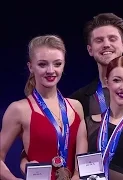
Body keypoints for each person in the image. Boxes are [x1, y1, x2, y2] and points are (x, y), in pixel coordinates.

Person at [0, 35, 87, 180]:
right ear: (30, 67)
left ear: (64, 64)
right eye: (42, 64)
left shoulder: (76, 106)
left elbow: (81, 159)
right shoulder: (19, 110)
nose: (51, 70)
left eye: (57, 64)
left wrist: (77, 176)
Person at [70, 12, 123, 117]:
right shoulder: (78, 100)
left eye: (112, 39)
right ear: (90, 50)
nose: (106, 44)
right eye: (99, 40)